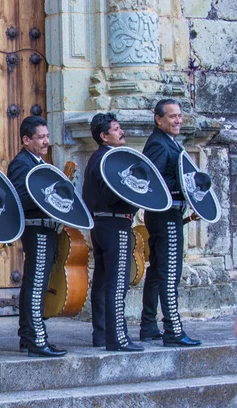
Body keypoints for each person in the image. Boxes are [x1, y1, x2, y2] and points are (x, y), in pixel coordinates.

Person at [140, 99, 201, 347]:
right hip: (165, 215)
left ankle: (148, 326)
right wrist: (183, 186)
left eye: (179, 116)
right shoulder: (158, 144)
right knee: (169, 272)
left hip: (168, 214)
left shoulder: (167, 142)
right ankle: (173, 330)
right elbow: (152, 181)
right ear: (158, 118)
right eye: (172, 116)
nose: (178, 120)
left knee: (157, 270)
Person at [83, 113, 144, 352]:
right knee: (117, 283)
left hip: (100, 225)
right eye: (116, 129)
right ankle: (117, 337)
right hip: (115, 224)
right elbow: (113, 196)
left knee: (101, 281)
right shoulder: (110, 160)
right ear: (104, 136)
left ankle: (101, 334)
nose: (121, 132)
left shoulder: (97, 158)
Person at [7, 116, 67, 357]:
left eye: (47, 137)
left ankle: (27, 336)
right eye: (40, 137)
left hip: (45, 229)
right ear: (25, 140)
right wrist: (49, 195)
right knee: (36, 284)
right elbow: (19, 198)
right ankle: (36, 339)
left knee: (36, 283)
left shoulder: (38, 162)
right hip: (36, 230)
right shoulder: (22, 164)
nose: (46, 142)